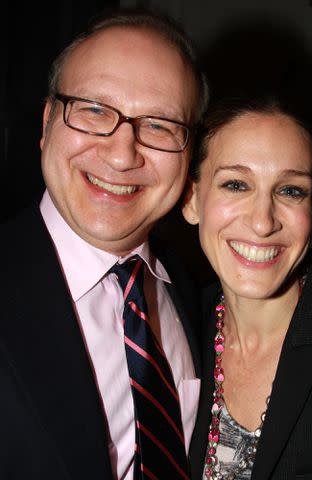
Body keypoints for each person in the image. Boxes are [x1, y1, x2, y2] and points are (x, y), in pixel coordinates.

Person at [0, 8, 208, 480]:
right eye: (94, 110)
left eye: (159, 125)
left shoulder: (195, 289)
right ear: (48, 121)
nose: (121, 153)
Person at [183, 94, 312, 479]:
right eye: (236, 184)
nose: (263, 222)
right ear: (192, 199)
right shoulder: (171, 328)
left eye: (291, 190)